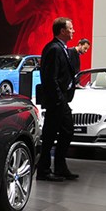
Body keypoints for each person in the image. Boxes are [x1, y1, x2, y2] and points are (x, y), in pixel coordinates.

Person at [37, 16, 78, 182]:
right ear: (62, 31)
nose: (73, 31)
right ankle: (44, 171)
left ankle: (60, 167)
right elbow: (50, 77)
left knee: (67, 131)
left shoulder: (62, 48)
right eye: (70, 28)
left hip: (61, 100)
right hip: (56, 101)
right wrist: (59, 99)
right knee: (49, 135)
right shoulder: (54, 49)